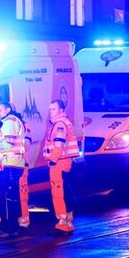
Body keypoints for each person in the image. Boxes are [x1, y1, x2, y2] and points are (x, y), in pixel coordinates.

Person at [0, 101, 26, 237]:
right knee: (13, 195)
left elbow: (9, 142)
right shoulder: (15, 121)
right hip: (15, 162)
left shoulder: (9, 122)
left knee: (9, 196)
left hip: (11, 162)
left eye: (0, 110)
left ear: (8, 110)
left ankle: (9, 227)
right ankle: (13, 225)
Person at [43, 99, 79, 235]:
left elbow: (59, 144)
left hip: (59, 162)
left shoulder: (59, 124)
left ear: (61, 110)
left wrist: (53, 159)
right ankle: (68, 221)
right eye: (50, 109)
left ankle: (62, 222)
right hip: (64, 161)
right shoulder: (64, 123)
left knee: (58, 192)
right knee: (66, 190)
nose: (51, 112)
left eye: (53, 109)